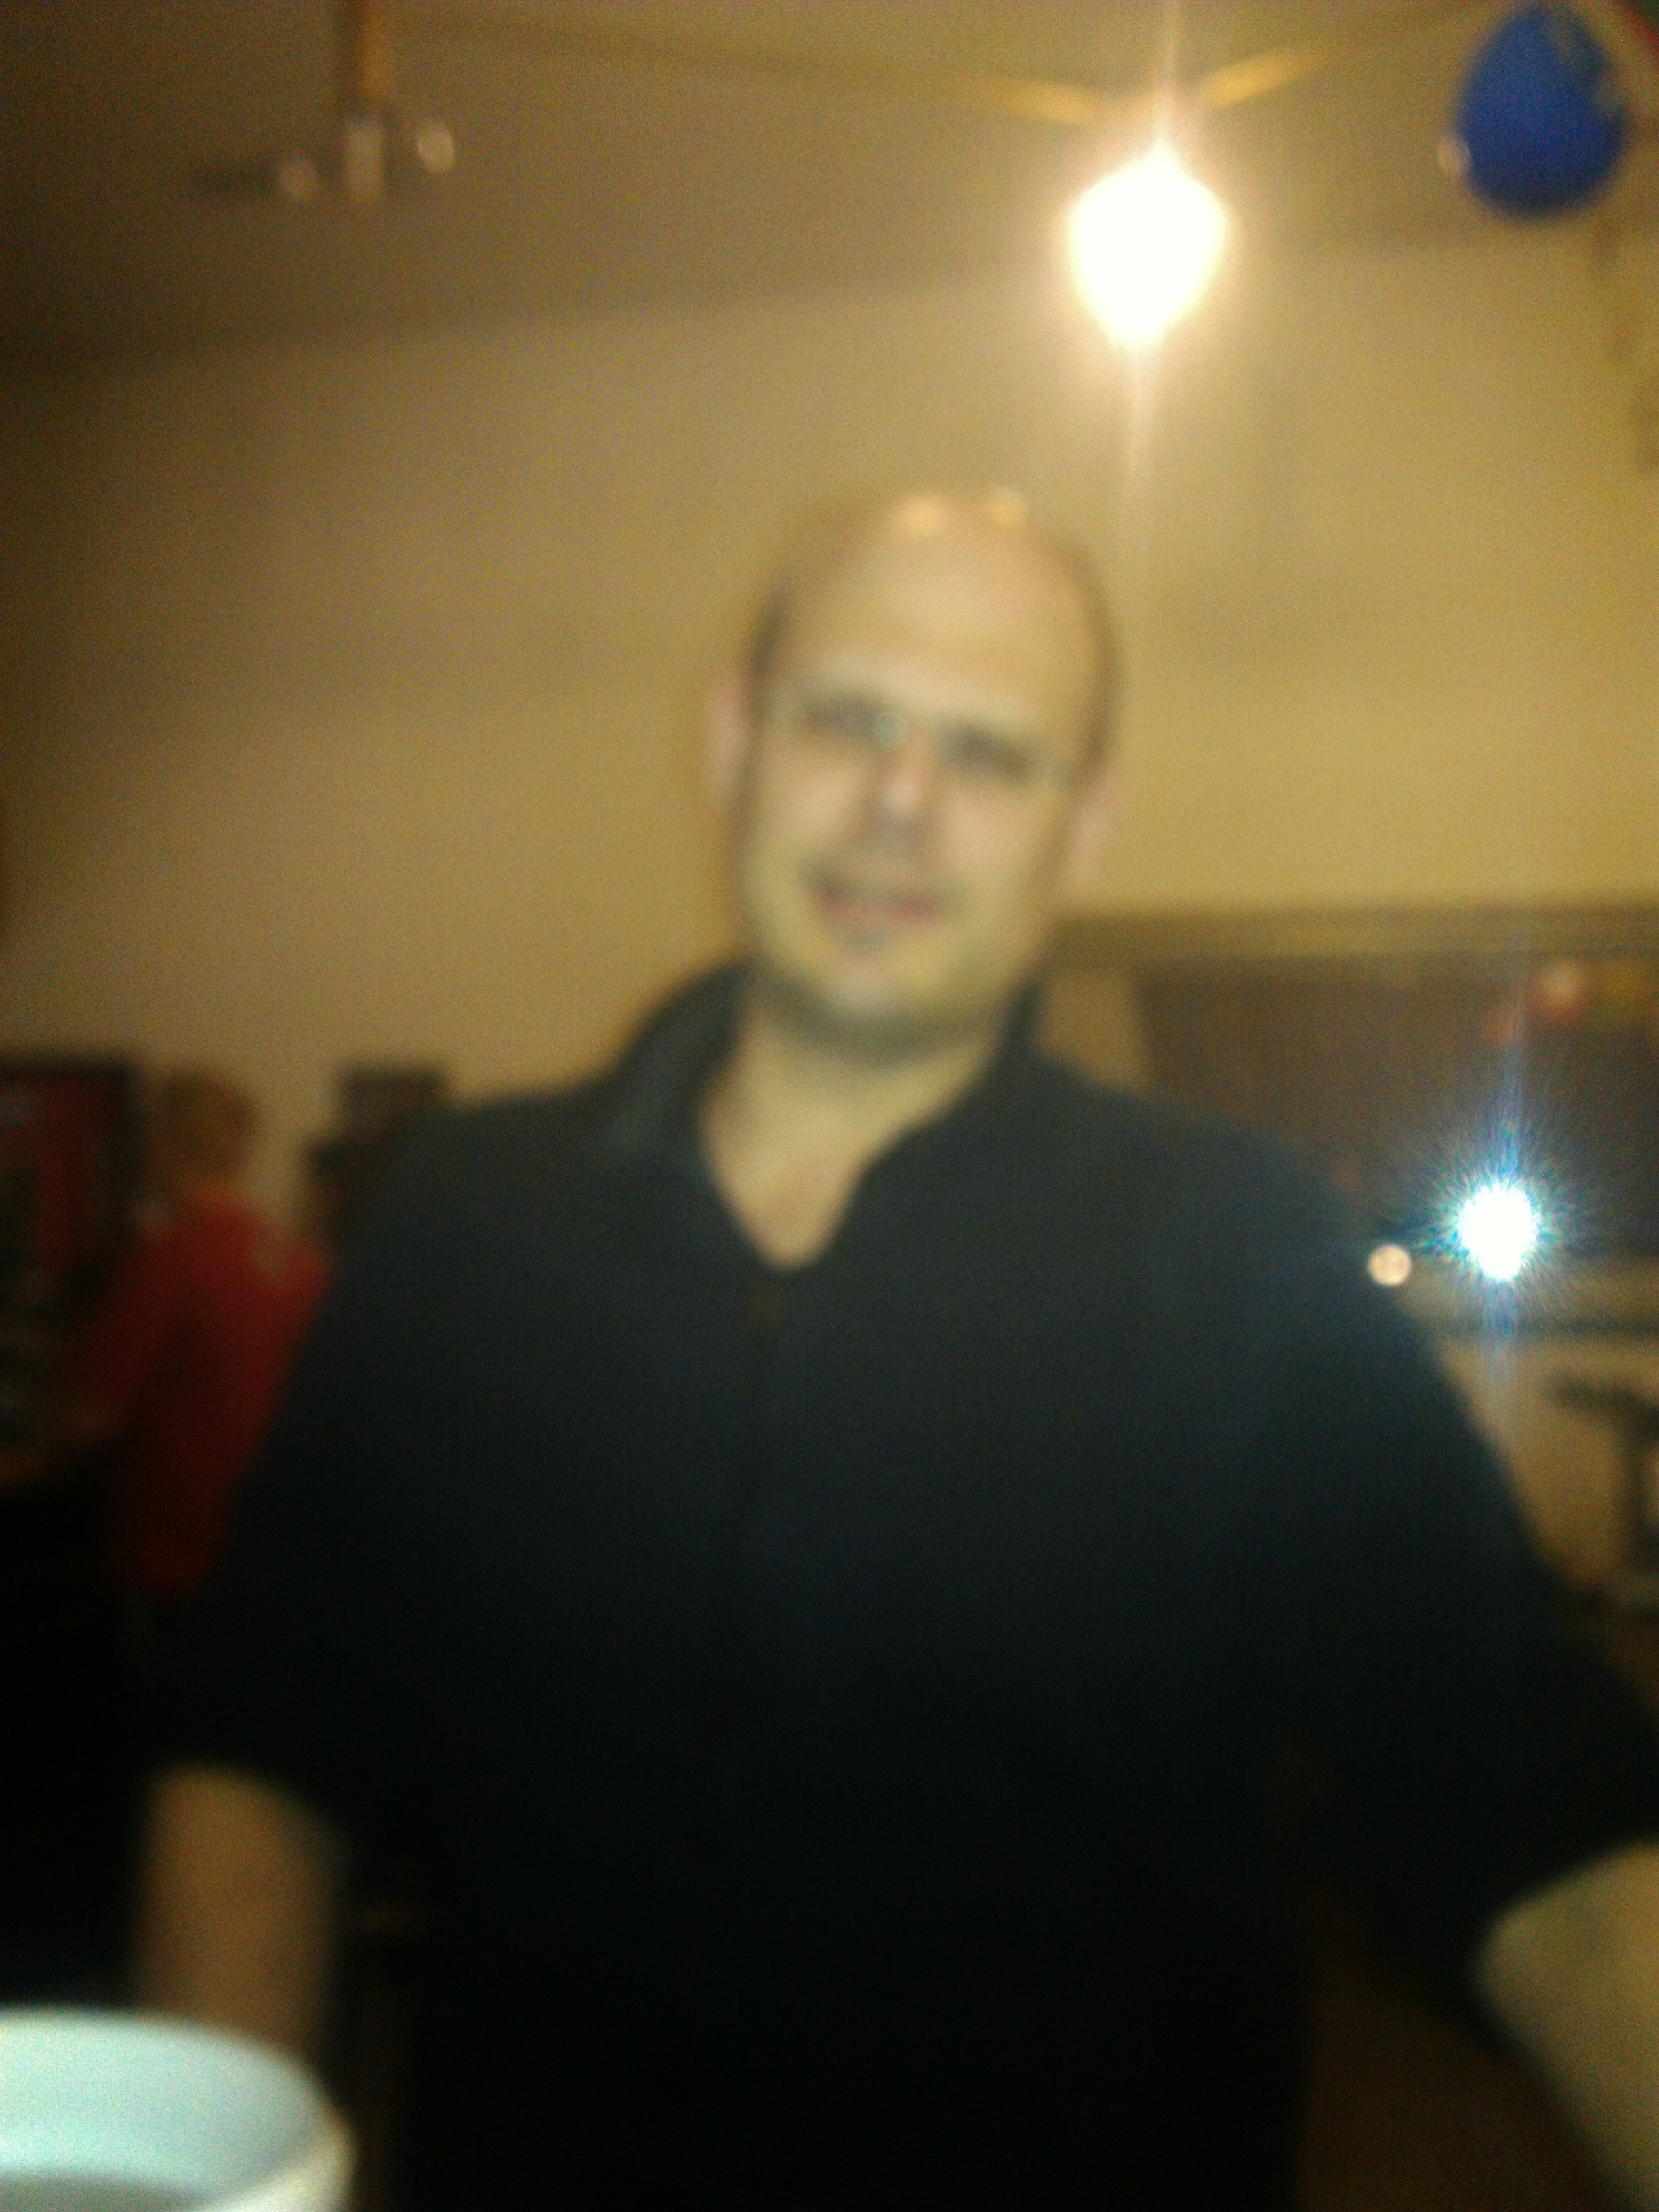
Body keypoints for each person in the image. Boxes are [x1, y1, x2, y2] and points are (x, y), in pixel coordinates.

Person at [138, 495, 1659, 2210]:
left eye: (990, 753)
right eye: (848, 718)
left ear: (1084, 829)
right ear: (733, 740)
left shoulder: (1243, 1260)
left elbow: (1533, 1809)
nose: (900, 802)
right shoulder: (463, 1228)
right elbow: (265, 1746)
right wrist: (213, 2177)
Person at [1, 1070, 331, 1607]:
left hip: (171, 1563)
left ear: (158, 1147)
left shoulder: (167, 1263)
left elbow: (85, 1419)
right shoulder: (301, 1265)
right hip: (265, 1557)